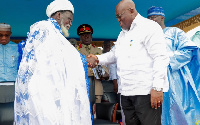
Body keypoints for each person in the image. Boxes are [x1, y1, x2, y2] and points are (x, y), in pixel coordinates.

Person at [87, 0, 170, 125]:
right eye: (117, 18)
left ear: (131, 10)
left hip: (145, 93)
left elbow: (160, 57)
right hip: (126, 93)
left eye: (120, 16)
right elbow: (114, 55)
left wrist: (158, 88)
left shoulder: (149, 27)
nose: (119, 21)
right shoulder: (122, 35)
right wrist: (97, 59)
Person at [14, 0, 92, 124]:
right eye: (69, 19)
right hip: (43, 91)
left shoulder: (58, 35)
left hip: (54, 91)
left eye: (72, 21)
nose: (70, 24)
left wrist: (83, 59)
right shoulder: (44, 27)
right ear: (59, 15)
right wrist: (84, 59)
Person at [147, 6, 200, 125]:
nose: (152, 20)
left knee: (176, 110)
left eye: (154, 17)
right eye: (149, 18)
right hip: (153, 80)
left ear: (162, 17)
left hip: (174, 79)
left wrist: (166, 59)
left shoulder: (175, 32)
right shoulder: (147, 37)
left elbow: (188, 51)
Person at [76, 24, 107, 103]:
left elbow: (106, 73)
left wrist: (103, 74)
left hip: (96, 87)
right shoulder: (75, 51)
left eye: (88, 34)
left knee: (96, 112)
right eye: (83, 35)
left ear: (91, 36)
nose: (86, 36)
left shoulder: (99, 51)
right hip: (81, 87)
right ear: (80, 37)